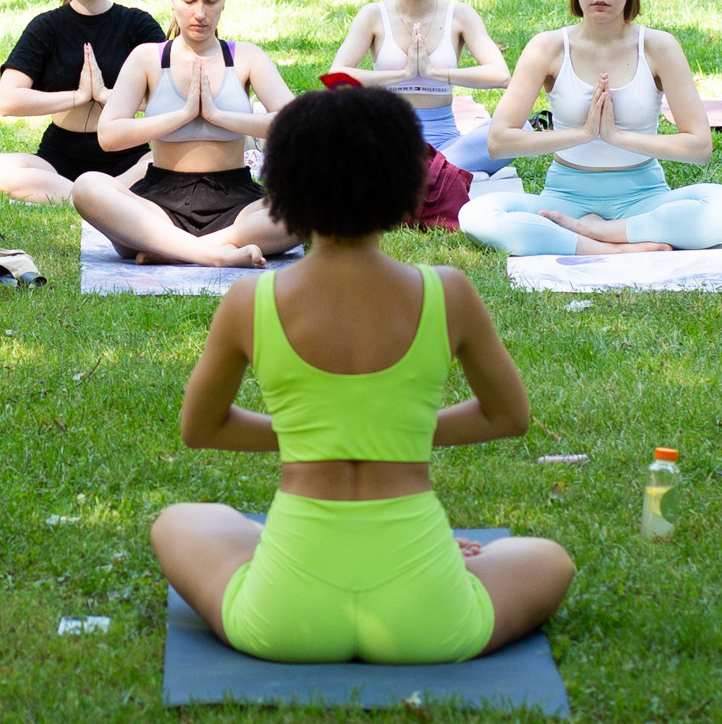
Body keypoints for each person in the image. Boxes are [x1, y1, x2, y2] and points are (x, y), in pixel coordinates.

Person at [151, 86, 575, 663]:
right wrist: (386, 432)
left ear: (284, 188)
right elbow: (508, 416)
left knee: (180, 521)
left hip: (285, 617)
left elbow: (201, 428)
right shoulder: (447, 291)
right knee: (549, 557)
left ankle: (273, 548)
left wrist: (317, 434)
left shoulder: (251, 300)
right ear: (404, 181)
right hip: (426, 618)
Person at [458, 0, 722, 255]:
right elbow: (499, 142)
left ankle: (604, 233)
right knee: (476, 215)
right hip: (564, 199)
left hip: (645, 198)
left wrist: (615, 136)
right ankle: (613, 249)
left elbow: (699, 147)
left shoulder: (658, 47)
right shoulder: (548, 47)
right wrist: (583, 133)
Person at [72, 0, 298, 267]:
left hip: (237, 204)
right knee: (87, 186)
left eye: (211, 1)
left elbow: (297, 125)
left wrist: (221, 117)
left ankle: (179, 249)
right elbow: (109, 135)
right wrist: (181, 116)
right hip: (160, 205)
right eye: (189, 1)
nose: (200, 14)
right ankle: (211, 254)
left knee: (314, 201)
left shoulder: (247, 56)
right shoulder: (147, 58)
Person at [0, 0, 167, 204]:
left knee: (162, 163)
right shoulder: (46, 27)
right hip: (59, 157)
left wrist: (107, 96)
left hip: (127, 150)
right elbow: (7, 101)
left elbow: (167, 95)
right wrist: (77, 96)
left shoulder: (137, 24)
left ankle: (98, 193)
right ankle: (90, 197)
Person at [328, 0, 513, 174]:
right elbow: (336, 79)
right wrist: (402, 74)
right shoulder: (373, 15)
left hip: (447, 146)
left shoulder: (459, 15)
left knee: (519, 128)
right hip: (386, 139)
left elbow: (501, 75)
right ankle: (434, 175)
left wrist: (434, 73)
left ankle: (422, 174)